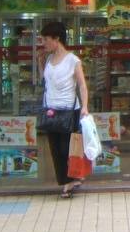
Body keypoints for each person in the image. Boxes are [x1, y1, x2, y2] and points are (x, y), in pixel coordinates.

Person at [36, 20, 90, 199]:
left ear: (56, 39)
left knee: (65, 148)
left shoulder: (73, 60)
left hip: (68, 110)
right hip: (51, 109)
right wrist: (40, 62)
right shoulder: (49, 59)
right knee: (55, 148)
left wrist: (85, 107)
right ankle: (69, 180)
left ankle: (70, 181)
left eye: (46, 39)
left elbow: (82, 85)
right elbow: (46, 81)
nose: (43, 43)